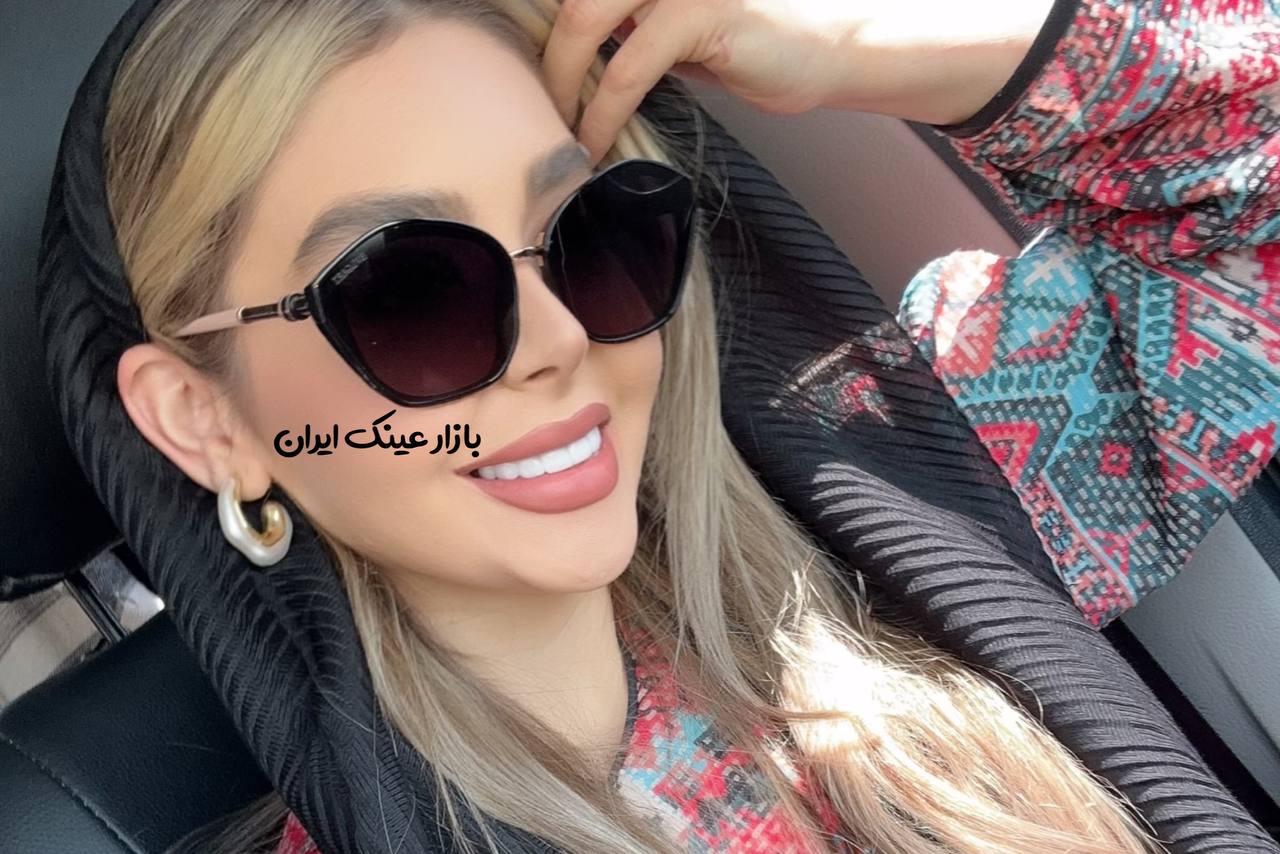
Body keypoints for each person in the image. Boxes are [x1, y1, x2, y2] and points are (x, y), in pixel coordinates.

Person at [87, 0, 1275, 851]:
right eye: (409, 289)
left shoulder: (892, 487)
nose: (559, 337)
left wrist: (873, 38)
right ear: (206, 420)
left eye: (588, 231)